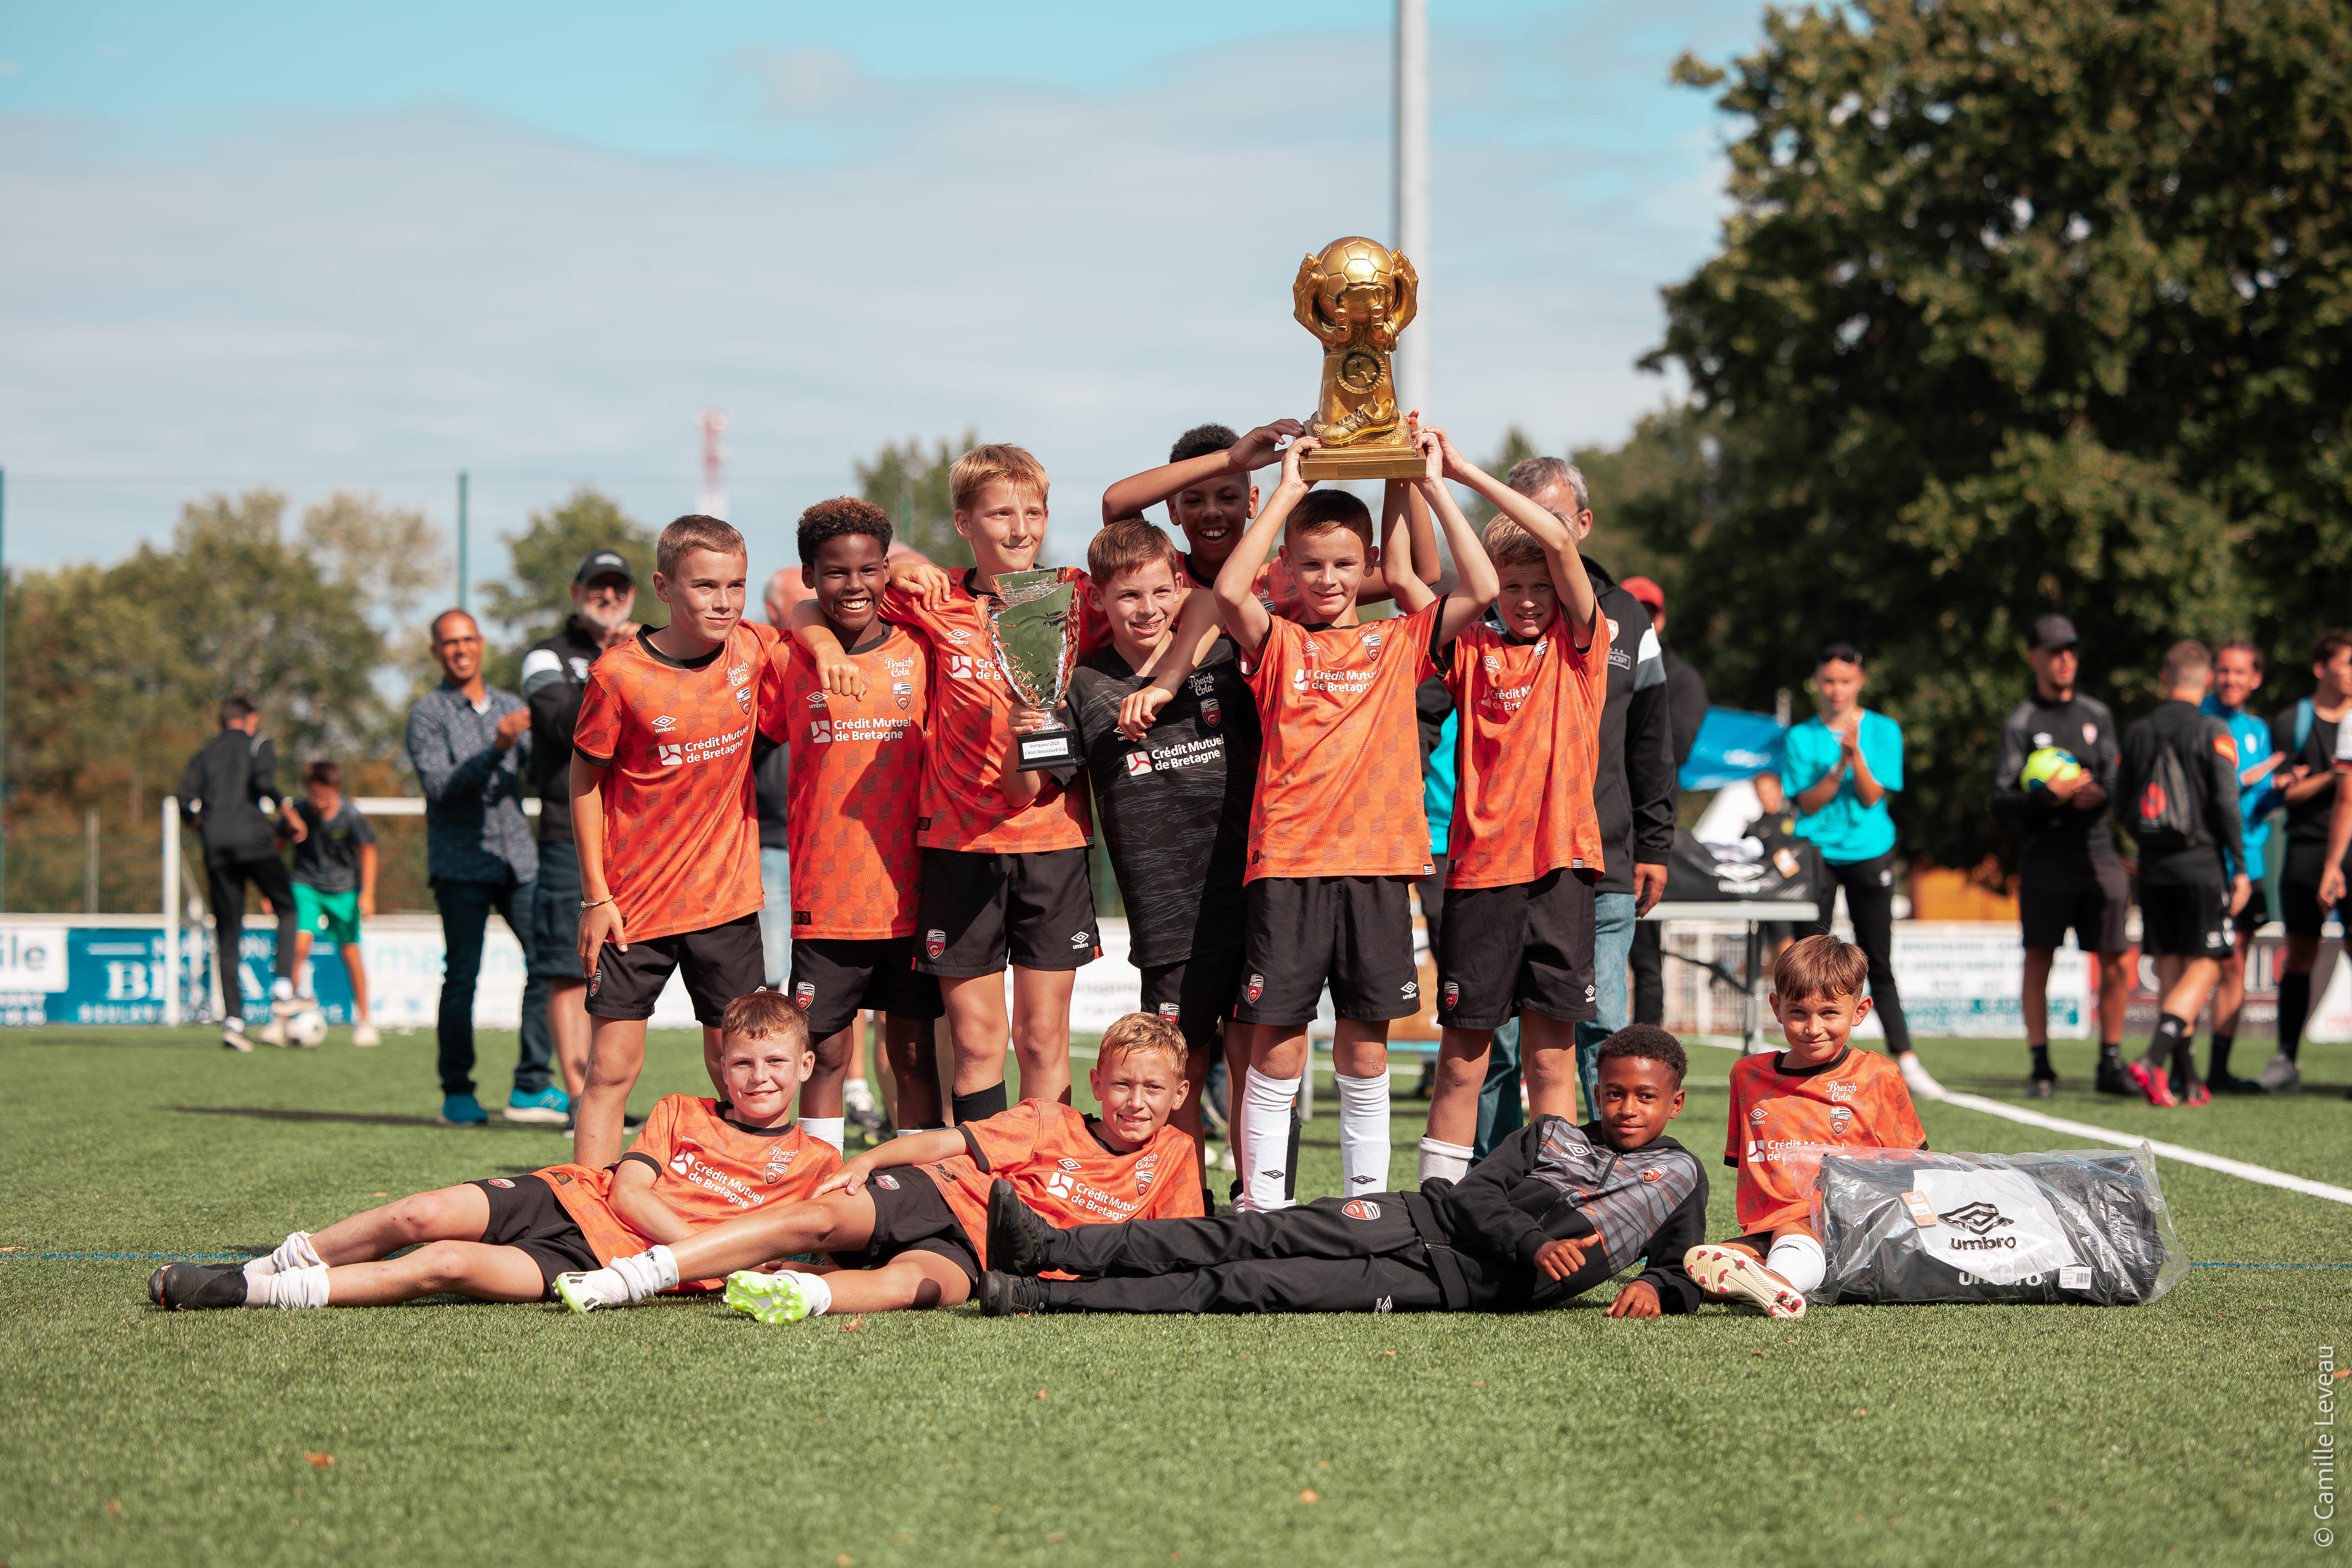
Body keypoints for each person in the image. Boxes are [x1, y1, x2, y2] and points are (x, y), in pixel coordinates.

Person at [1207, 424, 1499, 1211]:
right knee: (1279, 1044)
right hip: (1290, 865)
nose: (1329, 578)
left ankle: (1365, 1207)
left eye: (1344, 564)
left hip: (1378, 867)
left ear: (1368, 565)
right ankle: (1263, 1204)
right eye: (1311, 565)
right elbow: (1230, 592)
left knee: (1366, 1049)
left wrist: (1433, 480)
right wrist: (1292, 490)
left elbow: (1478, 588)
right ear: (1289, 571)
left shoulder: (1398, 639)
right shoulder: (1276, 643)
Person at [143, 991, 840, 1311]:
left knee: (441, 1265)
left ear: (806, 1066)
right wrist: (705, 1252)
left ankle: (251, 1291)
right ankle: (269, 1259)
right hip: (569, 1197)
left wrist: (758, 1265)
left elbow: (817, 1254)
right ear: (723, 1066)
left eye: (777, 1063)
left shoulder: (820, 1167)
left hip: (603, 1263)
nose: (760, 1078)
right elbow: (627, 1192)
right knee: (419, 1215)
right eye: (745, 1064)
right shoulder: (680, 1110)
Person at [788, 446, 1104, 1122]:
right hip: (959, 850)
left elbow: (1164, 602)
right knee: (975, 1041)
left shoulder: (1076, 593)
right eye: (999, 513)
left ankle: (1043, 1185)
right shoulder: (932, 600)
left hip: (1052, 842)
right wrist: (899, 574)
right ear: (964, 521)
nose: (1019, 528)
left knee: (1043, 1038)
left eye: (1032, 511)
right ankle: (982, 1192)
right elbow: (806, 598)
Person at [977, 1026, 1705, 1319]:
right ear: (1596, 1086)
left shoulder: (1678, 1175)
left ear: (1674, 1101)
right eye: (1613, 1091)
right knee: (1243, 1237)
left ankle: (1039, 1298)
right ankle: (1049, 1249)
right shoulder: (1550, 1133)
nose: (1626, 1107)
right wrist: (1530, 1241)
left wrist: (1653, 1286)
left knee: (1250, 1285)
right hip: (1412, 1216)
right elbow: (1478, 1191)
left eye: (1645, 1097)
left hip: (1442, 1283)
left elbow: (1684, 1263)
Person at [551, 1012, 1202, 1321]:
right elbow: (944, 1145)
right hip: (941, 1197)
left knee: (912, 1290)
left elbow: (1174, 1248)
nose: (1135, 1102)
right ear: (1096, 1081)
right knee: (813, 1221)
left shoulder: (1174, 1156)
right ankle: (636, 1277)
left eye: (1152, 1090)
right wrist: (870, 1160)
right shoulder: (1048, 1120)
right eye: (1122, 1085)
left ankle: (799, 1296)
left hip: (982, 1257)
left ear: (1178, 1095)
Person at [1416, 435, 1607, 1186]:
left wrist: (1464, 471)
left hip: (1561, 869)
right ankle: (1438, 1209)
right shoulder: (1469, 646)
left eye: (1540, 585)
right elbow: (1417, 577)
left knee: (1551, 1055)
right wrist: (1429, 487)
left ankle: (1552, 1199)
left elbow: (1558, 538)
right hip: (1479, 875)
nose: (1527, 598)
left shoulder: (1583, 645)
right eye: (1511, 584)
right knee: (1464, 1056)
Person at [569, 516, 783, 1170]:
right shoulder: (618, 675)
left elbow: (806, 601)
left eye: (735, 585)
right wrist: (594, 897)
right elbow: (582, 783)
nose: (723, 601)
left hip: (726, 902)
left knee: (742, 1073)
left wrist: (828, 651)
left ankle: (748, 1208)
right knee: (611, 1070)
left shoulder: (753, 648)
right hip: (633, 909)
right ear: (663, 586)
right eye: (704, 586)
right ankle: (584, 1217)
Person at [1059, 519, 1262, 1204]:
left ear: (1180, 585)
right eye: (1127, 597)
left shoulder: (1219, 649)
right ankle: (1181, 1200)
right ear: (1099, 602)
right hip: (1166, 909)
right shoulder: (1083, 683)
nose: (1146, 609)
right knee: (1182, 1063)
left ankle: (1256, 1200)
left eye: (1158, 590)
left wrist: (1170, 677)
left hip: (1252, 889)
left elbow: (1211, 602)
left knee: (1256, 1060)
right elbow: (1043, 784)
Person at [1475, 457, 1674, 1157]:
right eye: (1518, 514)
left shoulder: (1618, 615)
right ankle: (1492, 1182)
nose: (1534, 532)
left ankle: (1611, 1182)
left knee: (1603, 1032)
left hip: (1602, 859)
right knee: (1496, 1045)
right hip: (1498, 863)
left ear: (1582, 525)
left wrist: (1655, 842)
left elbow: (1651, 738)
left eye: (1550, 519)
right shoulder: (1489, 606)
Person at [778, 498, 946, 1150]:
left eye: (869, 571)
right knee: (824, 1055)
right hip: (827, 897)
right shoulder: (788, 657)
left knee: (911, 1054)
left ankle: (920, 1187)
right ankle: (819, 1190)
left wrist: (908, 571)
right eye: (835, 574)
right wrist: (816, 639)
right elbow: (795, 618)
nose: (854, 587)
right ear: (809, 576)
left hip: (912, 887)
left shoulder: (922, 645)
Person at [1684, 935, 1928, 1319]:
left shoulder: (1878, 1075)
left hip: (1855, 1228)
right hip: (1771, 1229)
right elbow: (1748, 1165)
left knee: (1791, 1234)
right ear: (1777, 1007)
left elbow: (1914, 1167)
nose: (1813, 1028)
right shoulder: (1748, 1076)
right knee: (1704, 1271)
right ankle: (1769, 1276)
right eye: (1798, 1012)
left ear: (1860, 1010)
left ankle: (1779, 1280)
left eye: (1830, 1013)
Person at [1780, 644, 1942, 1100]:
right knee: (1806, 960)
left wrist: (1856, 755)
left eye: (1845, 681)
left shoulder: (1884, 730)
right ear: (1817, 682)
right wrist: (1837, 763)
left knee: (1878, 959)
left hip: (1870, 850)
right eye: (1828, 680)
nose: (1836, 690)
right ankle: (1802, 1057)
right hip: (1815, 854)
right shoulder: (1799, 737)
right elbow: (1807, 802)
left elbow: (1872, 796)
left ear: (1859, 682)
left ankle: (1905, 1058)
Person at [518, 549, 641, 1125]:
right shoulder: (546, 655)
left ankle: (607, 1092)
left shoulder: (654, 648)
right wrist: (618, 657)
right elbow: (561, 723)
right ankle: (576, 1095)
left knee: (621, 967)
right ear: (576, 592)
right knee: (570, 964)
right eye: (598, 585)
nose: (609, 596)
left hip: (639, 836)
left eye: (619, 586)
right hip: (569, 834)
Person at [405, 611, 539, 1125]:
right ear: (437, 651)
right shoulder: (428, 714)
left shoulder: (511, 705)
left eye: (468, 639)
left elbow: (544, 771)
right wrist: (498, 747)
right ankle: (457, 1091)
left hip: (518, 860)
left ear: (481, 644)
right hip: (460, 863)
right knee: (462, 976)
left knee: (551, 966)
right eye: (449, 642)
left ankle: (532, 1084)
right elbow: (441, 789)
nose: (461, 649)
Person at [1991, 613, 2132, 1099]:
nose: (2064, 658)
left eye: (2070, 649)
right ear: (2034, 658)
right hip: (2044, 857)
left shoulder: (2097, 714)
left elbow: (2117, 778)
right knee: (2038, 958)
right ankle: (2040, 1064)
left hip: (2097, 853)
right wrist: (2044, 795)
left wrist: (2102, 794)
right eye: (2054, 650)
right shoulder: (2021, 722)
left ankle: (2110, 1061)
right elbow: (1998, 799)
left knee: (2115, 956)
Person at [1099, 419, 1435, 614]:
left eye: (1229, 497)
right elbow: (1116, 505)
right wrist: (1231, 460)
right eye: (1194, 500)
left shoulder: (1297, 578)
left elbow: (1421, 572)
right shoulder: (1156, 584)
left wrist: (1406, 459)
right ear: (1173, 509)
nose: (1213, 511)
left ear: (1253, 502)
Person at [2112, 640, 2248, 1107]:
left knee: (2170, 963)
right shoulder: (2212, 728)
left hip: (2153, 867)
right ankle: (2153, 1058)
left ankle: (2186, 1079)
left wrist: (2146, 837)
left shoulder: (2136, 732)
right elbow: (2227, 803)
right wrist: (2241, 866)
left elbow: (2120, 800)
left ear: (2162, 679)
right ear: (2206, 680)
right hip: (2201, 864)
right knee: (2209, 962)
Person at [178, 695, 304, 1050]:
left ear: (221, 722)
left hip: (216, 842)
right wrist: (288, 811)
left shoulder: (205, 754)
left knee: (229, 932)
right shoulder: (258, 742)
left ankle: (233, 1023)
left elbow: (184, 799)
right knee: (287, 908)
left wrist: (200, 826)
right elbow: (264, 783)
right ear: (251, 718)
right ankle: (282, 989)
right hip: (253, 838)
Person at [2263, 631, 2352, 1093]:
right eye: (2346, 663)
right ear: (2321, 667)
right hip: (2305, 847)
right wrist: (2331, 777)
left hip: (2349, 849)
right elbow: (2285, 792)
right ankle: (2285, 1057)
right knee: (2300, 953)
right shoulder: (2292, 721)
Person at [1619, 575, 1706, 1029]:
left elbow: (1666, 752)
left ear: (1661, 617)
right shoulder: (1596, 661)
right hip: (1593, 825)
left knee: (1646, 957)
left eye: (1649, 611)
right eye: (1632, 608)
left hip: (1646, 833)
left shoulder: (1682, 680)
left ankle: (1646, 1055)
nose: (1643, 619)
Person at [2202, 638, 2287, 1094]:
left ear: (2254, 679)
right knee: (2199, 963)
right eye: (2224, 670)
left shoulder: (2257, 729)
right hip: (2206, 862)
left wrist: (2278, 786)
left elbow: (2260, 799)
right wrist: (2247, 778)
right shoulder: (2199, 719)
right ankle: (2176, 1063)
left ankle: (2217, 1068)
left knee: (2234, 965)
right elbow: (2201, 788)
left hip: (2250, 861)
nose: (2231, 679)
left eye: (2240, 672)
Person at [278, 760, 378, 1046]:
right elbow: (278, 845)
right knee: (298, 947)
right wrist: (270, 890)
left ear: (338, 790)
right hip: (305, 885)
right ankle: (281, 1021)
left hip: (344, 890)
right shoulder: (298, 812)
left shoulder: (350, 815)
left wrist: (367, 892)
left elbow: (368, 851)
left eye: (326, 795)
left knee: (351, 954)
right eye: (314, 795)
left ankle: (366, 1021)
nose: (320, 802)